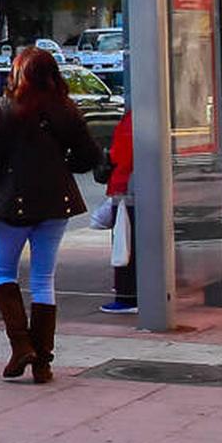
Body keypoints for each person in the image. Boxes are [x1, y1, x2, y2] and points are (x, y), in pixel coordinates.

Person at [0, 47, 101, 384]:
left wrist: (2, 172)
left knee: (4, 274)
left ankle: (21, 346)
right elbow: (89, 156)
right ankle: (43, 362)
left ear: (18, 75)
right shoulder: (66, 109)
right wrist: (60, 167)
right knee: (44, 280)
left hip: (9, 205)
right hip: (55, 204)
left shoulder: (1, 109)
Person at [101, 111, 136, 314]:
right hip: (133, 184)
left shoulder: (133, 118)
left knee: (125, 241)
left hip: (125, 185)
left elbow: (122, 153)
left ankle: (127, 294)